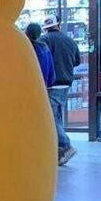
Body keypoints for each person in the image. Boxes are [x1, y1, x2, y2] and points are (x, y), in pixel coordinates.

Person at [26, 20, 72, 166]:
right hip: (54, 85)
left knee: (51, 119)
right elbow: (52, 71)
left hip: (36, 90)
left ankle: (65, 146)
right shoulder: (45, 47)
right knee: (54, 116)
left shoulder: (30, 49)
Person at [42, 14, 80, 165]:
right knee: (57, 116)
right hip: (66, 83)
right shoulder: (69, 40)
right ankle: (58, 150)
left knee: (52, 118)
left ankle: (65, 145)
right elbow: (76, 61)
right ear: (58, 24)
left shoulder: (44, 40)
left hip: (52, 83)